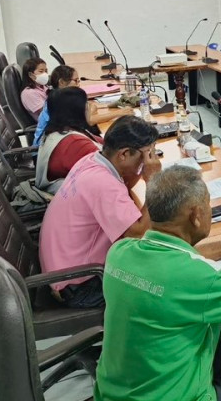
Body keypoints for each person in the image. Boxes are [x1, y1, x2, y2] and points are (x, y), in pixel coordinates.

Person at [93, 166, 221, 401]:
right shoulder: (202, 278)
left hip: (111, 394)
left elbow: (172, 258)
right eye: (208, 204)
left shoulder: (120, 251)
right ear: (196, 215)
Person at [38, 116, 160, 308]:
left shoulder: (92, 160)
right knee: (160, 282)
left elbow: (124, 184)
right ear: (124, 154)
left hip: (61, 269)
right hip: (80, 284)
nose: (151, 159)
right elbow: (138, 234)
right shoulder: (103, 184)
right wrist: (153, 181)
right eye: (147, 154)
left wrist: (141, 169)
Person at [34, 65, 130, 146]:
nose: (78, 85)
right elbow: (90, 121)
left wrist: (89, 112)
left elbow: (90, 108)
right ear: (62, 82)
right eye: (76, 81)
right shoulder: (60, 102)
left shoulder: (59, 96)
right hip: (46, 148)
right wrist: (120, 113)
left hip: (56, 143)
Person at [34, 87, 103, 194]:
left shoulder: (59, 130)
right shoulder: (74, 143)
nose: (88, 108)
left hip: (71, 193)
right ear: (77, 110)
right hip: (74, 198)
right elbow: (111, 169)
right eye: (86, 104)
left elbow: (102, 142)